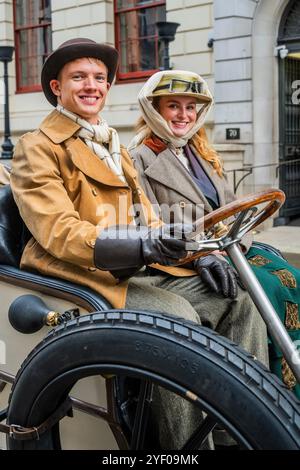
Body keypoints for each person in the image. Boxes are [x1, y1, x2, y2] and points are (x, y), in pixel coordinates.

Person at [10, 40, 268, 449]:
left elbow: (148, 215)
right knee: (175, 317)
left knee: (237, 299)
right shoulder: (36, 146)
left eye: (99, 78)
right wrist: (143, 244)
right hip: (77, 275)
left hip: (134, 271)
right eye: (79, 77)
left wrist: (197, 256)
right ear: (57, 87)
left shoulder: (112, 144)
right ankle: (185, 447)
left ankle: (241, 429)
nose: (92, 86)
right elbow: (59, 231)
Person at [128, 69, 300, 399]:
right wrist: (203, 251)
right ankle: (265, 394)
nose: (183, 115)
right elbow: (147, 223)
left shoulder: (200, 152)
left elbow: (233, 207)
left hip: (231, 247)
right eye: (173, 106)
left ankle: (288, 381)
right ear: (155, 110)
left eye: (190, 107)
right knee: (259, 291)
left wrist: (237, 238)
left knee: (290, 278)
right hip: (188, 258)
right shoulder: (138, 158)